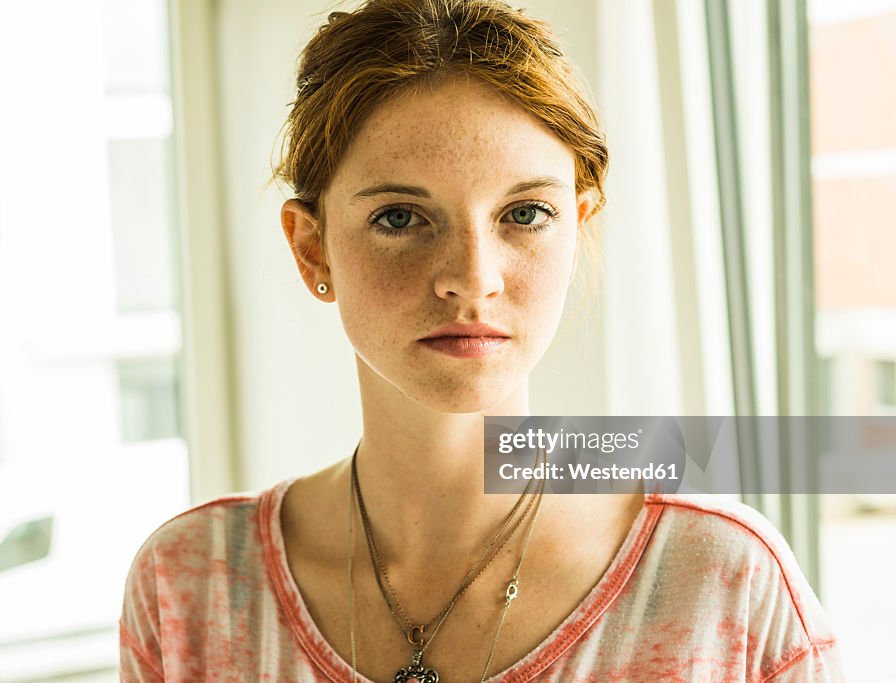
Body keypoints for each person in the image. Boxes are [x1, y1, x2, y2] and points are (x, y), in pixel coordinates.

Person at [119, 0, 844, 680]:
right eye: (401, 218)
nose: (473, 279)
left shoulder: (724, 584)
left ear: (578, 226)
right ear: (313, 249)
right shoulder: (189, 586)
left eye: (525, 213)